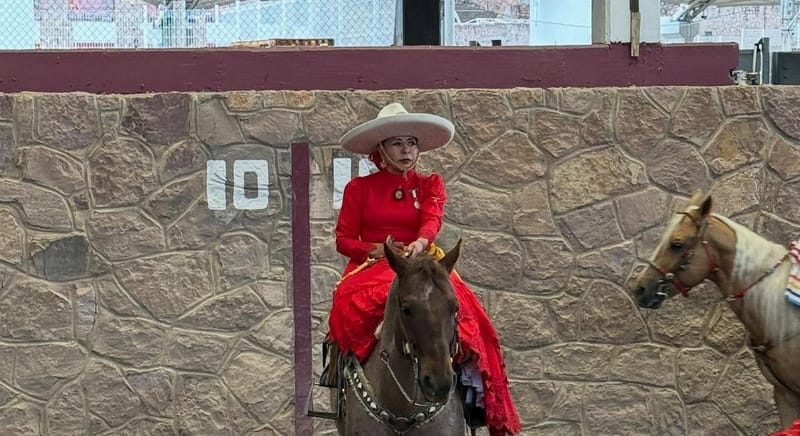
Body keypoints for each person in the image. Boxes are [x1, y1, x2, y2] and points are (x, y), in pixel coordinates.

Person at [320, 102, 521, 436]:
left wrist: (421, 242)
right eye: (397, 143)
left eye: (411, 143)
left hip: (424, 259)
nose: (406, 150)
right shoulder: (360, 189)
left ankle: (474, 393)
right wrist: (376, 249)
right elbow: (343, 240)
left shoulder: (430, 184)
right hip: (373, 265)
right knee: (346, 305)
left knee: (469, 315)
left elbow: (432, 217)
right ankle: (339, 377)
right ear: (381, 150)